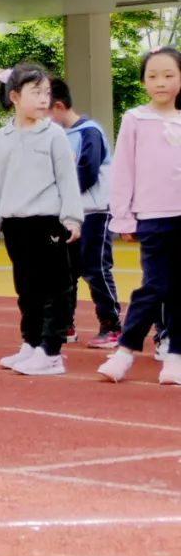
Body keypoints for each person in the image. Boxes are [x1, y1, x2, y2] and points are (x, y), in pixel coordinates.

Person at [0, 64, 83, 376]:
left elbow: (67, 179)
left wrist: (72, 217)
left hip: (47, 222)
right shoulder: (2, 138)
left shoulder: (54, 134)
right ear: (14, 96)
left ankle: (51, 351)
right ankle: (31, 343)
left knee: (56, 287)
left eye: (46, 93)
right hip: (15, 224)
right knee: (27, 287)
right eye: (35, 92)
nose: (43, 99)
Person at [97, 46, 181, 385]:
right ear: (144, 82)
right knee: (155, 286)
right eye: (153, 76)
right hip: (152, 217)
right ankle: (125, 352)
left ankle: (174, 357)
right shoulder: (135, 119)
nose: (160, 82)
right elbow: (123, 172)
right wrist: (124, 217)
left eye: (169, 75)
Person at [48, 78, 122, 349]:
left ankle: (111, 325)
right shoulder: (56, 135)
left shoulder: (89, 132)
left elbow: (87, 173)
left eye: (45, 111)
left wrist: (59, 192)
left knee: (96, 268)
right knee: (66, 271)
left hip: (94, 212)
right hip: (68, 214)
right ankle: (65, 325)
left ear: (57, 106)